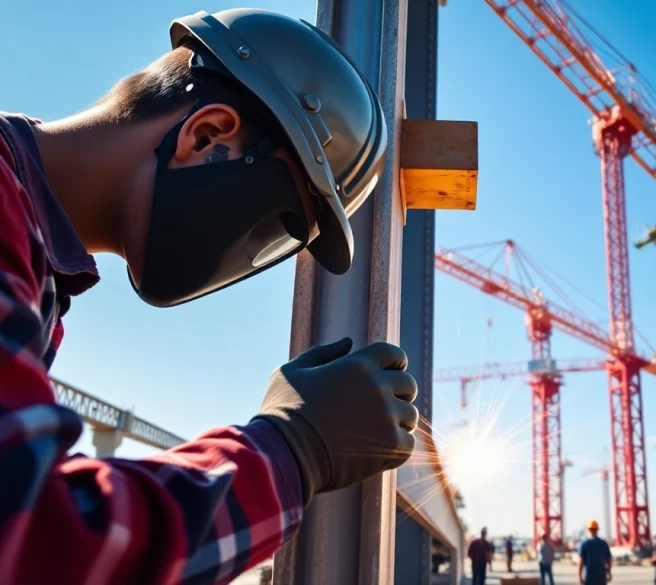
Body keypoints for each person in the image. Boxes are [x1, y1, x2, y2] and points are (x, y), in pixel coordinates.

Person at [0, 8, 419, 584]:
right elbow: (36, 539)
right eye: (275, 220)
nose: (253, 245)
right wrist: (293, 449)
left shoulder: (35, 264)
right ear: (207, 135)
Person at [578, 520, 613, 585]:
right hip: (601, 578)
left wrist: (579, 577)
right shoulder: (603, 544)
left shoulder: (585, 544)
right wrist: (609, 572)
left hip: (589, 578)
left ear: (588, 530)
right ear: (597, 530)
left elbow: (581, 562)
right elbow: (609, 560)